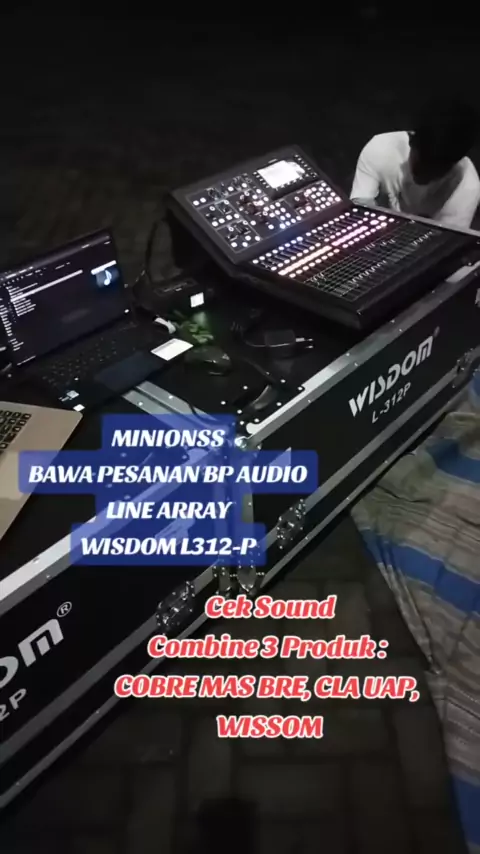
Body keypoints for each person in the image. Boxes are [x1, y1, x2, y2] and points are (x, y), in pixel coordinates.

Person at [350, 97, 480, 231]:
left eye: (438, 169)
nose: (428, 173)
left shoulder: (467, 186)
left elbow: (444, 240)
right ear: (411, 141)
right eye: (424, 163)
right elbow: (360, 210)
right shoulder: (380, 149)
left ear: (456, 162)